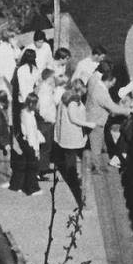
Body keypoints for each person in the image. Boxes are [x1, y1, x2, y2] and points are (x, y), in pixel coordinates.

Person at [53, 78, 91, 210]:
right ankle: (75, 186)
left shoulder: (65, 97)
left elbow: (59, 118)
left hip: (65, 135)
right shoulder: (73, 102)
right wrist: (89, 124)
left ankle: (72, 178)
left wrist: (57, 134)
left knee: (70, 157)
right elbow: (76, 119)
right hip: (73, 136)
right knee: (71, 162)